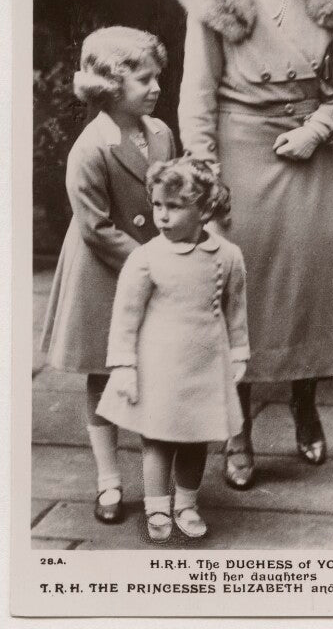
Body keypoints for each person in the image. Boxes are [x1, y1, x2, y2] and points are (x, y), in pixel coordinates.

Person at [174, 0, 333, 491]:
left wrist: (319, 128)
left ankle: (304, 405)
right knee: (240, 293)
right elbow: (196, 94)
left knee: (307, 286)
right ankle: (238, 430)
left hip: (306, 153)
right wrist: (205, 173)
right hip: (239, 152)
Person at [40, 26, 176, 524]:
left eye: (156, 76)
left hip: (153, 264)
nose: (156, 86)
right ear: (110, 87)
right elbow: (96, 228)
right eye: (144, 79)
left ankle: (156, 485)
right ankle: (108, 481)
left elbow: (172, 192)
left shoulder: (160, 133)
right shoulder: (91, 147)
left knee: (152, 369)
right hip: (106, 271)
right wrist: (150, 262)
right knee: (104, 372)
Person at [96, 158, 249, 542]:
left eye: (175, 206)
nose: (162, 216)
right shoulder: (146, 258)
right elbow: (126, 316)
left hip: (205, 362)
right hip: (159, 364)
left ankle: (186, 503)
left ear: (205, 209)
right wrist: (125, 366)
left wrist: (240, 352)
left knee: (197, 437)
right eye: (158, 205)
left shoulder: (228, 256)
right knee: (158, 437)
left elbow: (236, 308)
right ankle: (157, 506)